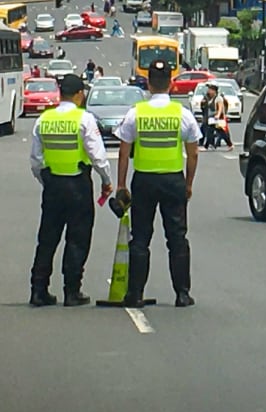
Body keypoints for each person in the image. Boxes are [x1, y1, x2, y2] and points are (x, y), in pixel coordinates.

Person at [114, 60, 202, 308]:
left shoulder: (136, 113)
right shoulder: (182, 114)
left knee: (140, 238)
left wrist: (121, 184)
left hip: (144, 180)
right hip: (173, 179)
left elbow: (123, 152)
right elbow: (193, 153)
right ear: (172, 84)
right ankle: (182, 294)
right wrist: (188, 183)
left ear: (149, 84)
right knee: (177, 237)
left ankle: (136, 293)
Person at [28, 74, 113, 307]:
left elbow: (36, 160)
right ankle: (71, 291)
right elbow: (98, 156)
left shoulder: (44, 119)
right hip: (77, 184)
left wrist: (46, 182)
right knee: (77, 238)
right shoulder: (84, 119)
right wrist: (106, 180)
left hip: (53, 184)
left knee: (47, 238)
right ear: (78, 95)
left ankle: (38, 290)